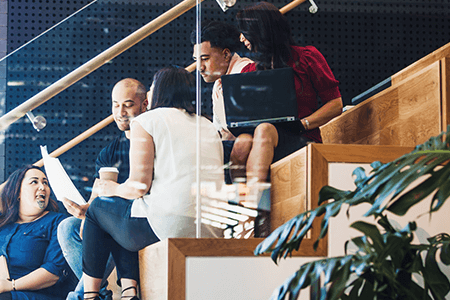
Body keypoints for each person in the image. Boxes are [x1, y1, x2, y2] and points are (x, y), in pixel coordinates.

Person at [81, 66, 223, 299]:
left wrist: (111, 188)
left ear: (158, 93)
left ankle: (90, 295)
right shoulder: (207, 125)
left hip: (171, 224)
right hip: (211, 228)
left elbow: (139, 186)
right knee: (125, 213)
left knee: (99, 211)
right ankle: (128, 293)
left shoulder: (147, 121)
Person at [57, 78, 148, 300]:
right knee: (67, 227)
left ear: (144, 105)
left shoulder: (150, 142)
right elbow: (95, 202)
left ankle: (85, 296)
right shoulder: (108, 153)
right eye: (115, 104)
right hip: (113, 222)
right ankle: (102, 293)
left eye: (128, 104)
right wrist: (83, 211)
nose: (120, 111)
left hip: (140, 219)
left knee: (111, 219)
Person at [233, 1, 343, 184]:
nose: (241, 38)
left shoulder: (306, 57)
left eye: (245, 32)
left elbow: (335, 104)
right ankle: (239, 203)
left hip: (302, 137)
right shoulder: (249, 71)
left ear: (260, 32)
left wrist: (303, 124)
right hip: (264, 142)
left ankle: (254, 207)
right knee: (242, 141)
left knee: (265, 129)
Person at [0, 165, 76, 300]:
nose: (42, 187)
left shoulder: (58, 222)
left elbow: (53, 272)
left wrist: (11, 285)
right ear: (17, 192)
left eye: (45, 183)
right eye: (34, 182)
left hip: (37, 295)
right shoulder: (4, 226)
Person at [192, 20, 253, 183]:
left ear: (226, 54)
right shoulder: (218, 85)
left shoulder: (247, 71)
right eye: (197, 60)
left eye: (204, 59)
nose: (200, 67)